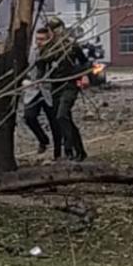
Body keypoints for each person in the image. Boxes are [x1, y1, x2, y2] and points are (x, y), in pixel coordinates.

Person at [23, 19, 91, 161]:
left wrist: (85, 76)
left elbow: (84, 62)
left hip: (70, 84)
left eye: (57, 29)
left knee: (61, 115)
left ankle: (69, 148)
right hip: (55, 87)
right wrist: (38, 80)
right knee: (64, 119)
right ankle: (79, 151)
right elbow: (41, 66)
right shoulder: (48, 49)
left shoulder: (71, 46)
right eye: (52, 29)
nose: (56, 32)